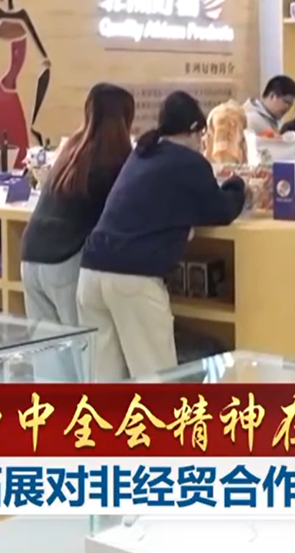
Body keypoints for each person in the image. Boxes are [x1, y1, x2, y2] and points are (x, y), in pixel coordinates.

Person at [79, 91, 247, 379]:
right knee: (155, 379)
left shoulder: (142, 154)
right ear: (194, 129)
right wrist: (237, 185)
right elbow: (221, 210)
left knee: (104, 380)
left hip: (91, 272)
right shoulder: (189, 162)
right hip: (135, 279)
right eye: (201, 135)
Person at [18, 83, 135, 332]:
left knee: (47, 348)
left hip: (31, 254)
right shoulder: (116, 157)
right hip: (65, 259)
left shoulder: (70, 149)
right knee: (81, 347)